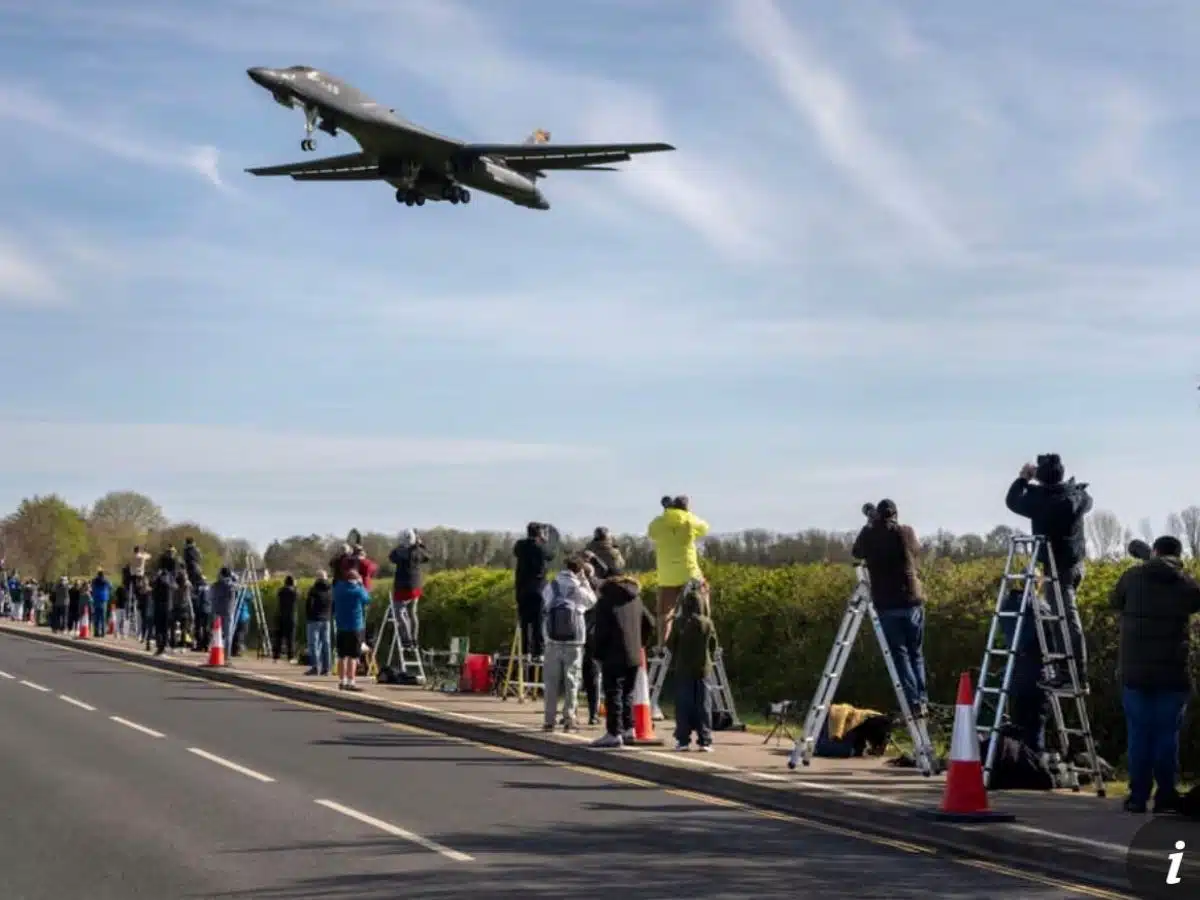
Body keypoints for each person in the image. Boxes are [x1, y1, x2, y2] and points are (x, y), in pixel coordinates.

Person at [1110, 535, 1200, 814]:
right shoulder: (1184, 583)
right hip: (1172, 674)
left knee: (1138, 734)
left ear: (1155, 551)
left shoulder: (1132, 577)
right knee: (1166, 735)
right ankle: (1166, 795)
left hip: (1135, 672)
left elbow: (1114, 600)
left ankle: (1137, 796)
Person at [1005, 453, 1093, 690]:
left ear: (1040, 477)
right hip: (1075, 565)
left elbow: (1013, 501)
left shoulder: (1038, 501)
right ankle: (1069, 672)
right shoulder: (1074, 497)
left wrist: (1023, 479)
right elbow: (1087, 498)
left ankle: (1073, 675)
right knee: (1063, 617)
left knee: (1065, 619)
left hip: (1056, 568)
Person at [851, 499, 928, 718]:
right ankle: (921, 699)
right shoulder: (905, 532)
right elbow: (915, 549)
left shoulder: (871, 534)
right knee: (916, 654)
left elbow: (856, 552)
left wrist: (869, 525)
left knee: (900, 655)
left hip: (887, 604)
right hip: (912, 600)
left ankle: (913, 702)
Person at [592, 570, 655, 747]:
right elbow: (649, 623)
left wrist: (597, 654)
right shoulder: (636, 599)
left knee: (613, 693)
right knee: (628, 693)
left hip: (613, 653)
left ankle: (614, 733)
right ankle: (629, 729)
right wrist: (640, 642)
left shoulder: (605, 601)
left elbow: (601, 631)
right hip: (634, 654)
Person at [541, 554, 597, 733]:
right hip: (575, 640)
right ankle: (569, 717)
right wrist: (585, 582)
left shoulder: (552, 586)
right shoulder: (579, 588)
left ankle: (549, 719)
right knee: (572, 680)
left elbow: (545, 604)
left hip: (552, 639)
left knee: (551, 680)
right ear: (580, 570)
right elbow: (592, 601)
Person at [647, 495, 709, 650]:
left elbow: (651, 532)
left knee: (664, 613)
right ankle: (706, 636)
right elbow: (704, 528)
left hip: (666, 575)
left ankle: (662, 645)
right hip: (689, 574)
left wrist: (666, 513)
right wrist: (688, 514)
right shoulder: (689, 520)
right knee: (702, 600)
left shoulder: (659, 522)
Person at [668, 580, 718, 752]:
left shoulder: (679, 622)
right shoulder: (707, 623)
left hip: (683, 668)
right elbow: (713, 645)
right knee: (703, 704)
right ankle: (705, 739)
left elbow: (670, 645)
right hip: (703, 668)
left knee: (683, 705)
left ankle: (683, 740)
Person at [513, 522, 555, 661]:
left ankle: (525, 652)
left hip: (522, 589)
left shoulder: (521, 546)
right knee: (538, 621)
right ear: (539, 533)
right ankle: (539, 652)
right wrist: (545, 541)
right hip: (538, 588)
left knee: (524, 622)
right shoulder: (541, 548)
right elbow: (550, 555)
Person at [389, 530, 431, 648]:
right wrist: (420, 544)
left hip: (402, 588)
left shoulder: (400, 552)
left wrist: (400, 544)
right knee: (413, 613)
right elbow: (428, 556)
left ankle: (407, 639)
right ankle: (414, 639)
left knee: (400, 613)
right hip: (415, 587)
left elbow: (391, 556)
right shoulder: (418, 552)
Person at [333, 569, 372, 692]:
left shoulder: (338, 589)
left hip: (340, 626)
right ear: (356, 579)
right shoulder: (358, 590)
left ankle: (341, 681)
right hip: (355, 626)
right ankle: (351, 681)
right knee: (353, 656)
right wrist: (361, 584)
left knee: (341, 656)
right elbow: (367, 600)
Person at [304, 570, 333, 676]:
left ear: (317, 578)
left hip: (314, 619)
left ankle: (316, 667)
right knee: (326, 643)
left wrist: (309, 616)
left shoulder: (313, 590)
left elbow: (309, 605)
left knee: (314, 644)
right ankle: (327, 668)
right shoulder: (331, 589)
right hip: (327, 619)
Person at [209, 567, 238, 658]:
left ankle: (215, 654)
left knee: (216, 634)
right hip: (228, 611)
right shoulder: (231, 585)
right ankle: (226, 655)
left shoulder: (215, 585)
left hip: (217, 611)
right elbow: (238, 587)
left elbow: (210, 595)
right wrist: (234, 578)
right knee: (228, 634)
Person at [274, 575, 298, 662]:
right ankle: (290, 656)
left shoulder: (281, 591)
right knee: (291, 637)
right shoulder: (294, 592)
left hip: (281, 615)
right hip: (291, 616)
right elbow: (297, 595)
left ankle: (276, 655)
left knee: (279, 637)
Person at [151, 568, 172, 655]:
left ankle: (160, 647)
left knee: (159, 628)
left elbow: (153, 595)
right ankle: (164, 646)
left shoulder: (157, 585)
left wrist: (156, 577)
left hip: (158, 607)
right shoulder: (168, 586)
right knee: (165, 629)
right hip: (167, 608)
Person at [91, 568, 112, 638]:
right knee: (103, 618)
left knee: (96, 618)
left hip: (96, 600)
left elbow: (92, 587)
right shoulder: (106, 581)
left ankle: (96, 632)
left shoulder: (94, 581)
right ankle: (103, 633)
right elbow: (110, 587)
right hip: (103, 601)